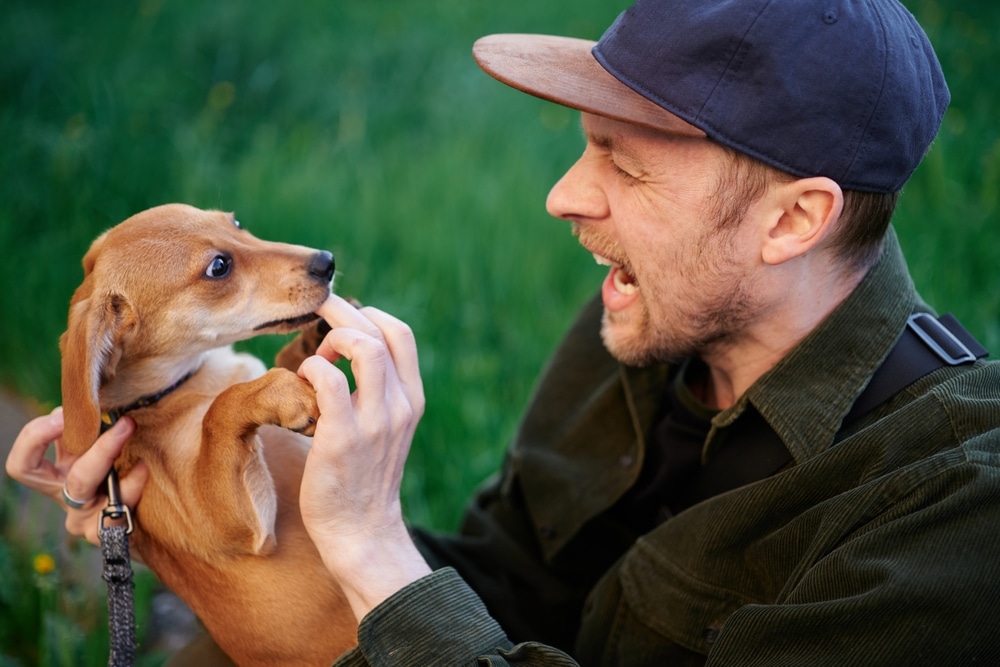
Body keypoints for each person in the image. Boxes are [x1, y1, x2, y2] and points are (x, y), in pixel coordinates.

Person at [8, 0, 1000, 664]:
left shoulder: (955, 514)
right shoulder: (646, 318)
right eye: (581, 150)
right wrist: (219, 526)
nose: (563, 197)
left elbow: (415, 596)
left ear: (792, 220)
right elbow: (508, 587)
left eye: (627, 164)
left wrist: (378, 563)